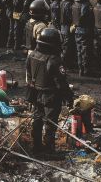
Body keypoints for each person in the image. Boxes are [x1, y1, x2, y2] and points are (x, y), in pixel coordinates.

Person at [26, 27, 73, 155]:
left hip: (35, 92)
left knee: (37, 118)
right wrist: (69, 97)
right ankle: (48, 149)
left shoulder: (32, 55)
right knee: (50, 122)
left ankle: (36, 145)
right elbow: (61, 83)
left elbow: (29, 75)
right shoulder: (54, 60)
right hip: (51, 95)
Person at [72, 0, 94, 76]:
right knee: (85, 51)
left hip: (77, 30)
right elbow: (85, 17)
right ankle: (85, 70)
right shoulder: (85, 5)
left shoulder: (75, 4)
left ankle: (81, 69)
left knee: (79, 50)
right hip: (85, 30)